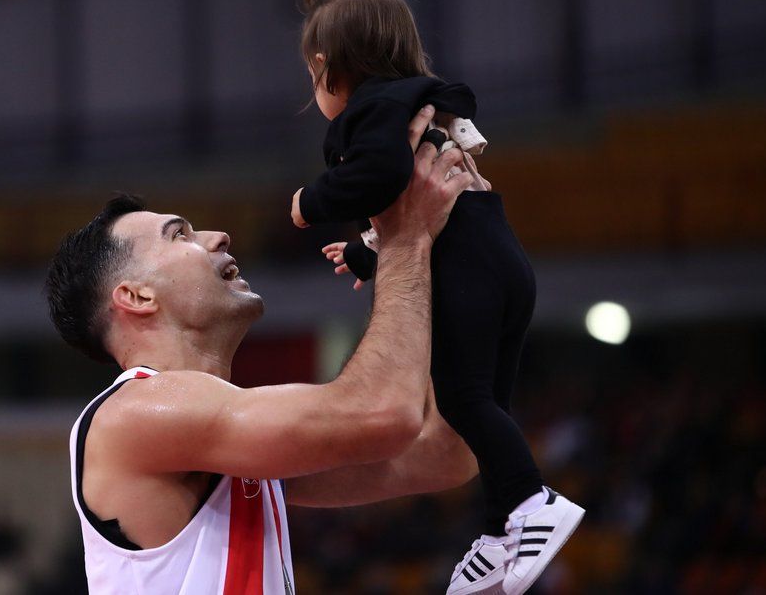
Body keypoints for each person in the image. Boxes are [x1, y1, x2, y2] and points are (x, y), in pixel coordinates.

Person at [45, 106, 478, 594]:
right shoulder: (135, 414)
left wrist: (456, 248)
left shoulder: (227, 443)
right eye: (180, 234)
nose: (218, 236)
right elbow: (384, 413)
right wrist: (405, 237)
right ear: (137, 297)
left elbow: (445, 455)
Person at [289, 0, 584, 593]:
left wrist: (309, 202)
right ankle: (502, 528)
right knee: (485, 405)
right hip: (500, 257)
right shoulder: (421, 104)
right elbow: (413, 212)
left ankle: (534, 501)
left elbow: (378, 177)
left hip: (467, 267)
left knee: (462, 400)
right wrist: (367, 255)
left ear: (324, 66)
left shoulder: (370, 112)